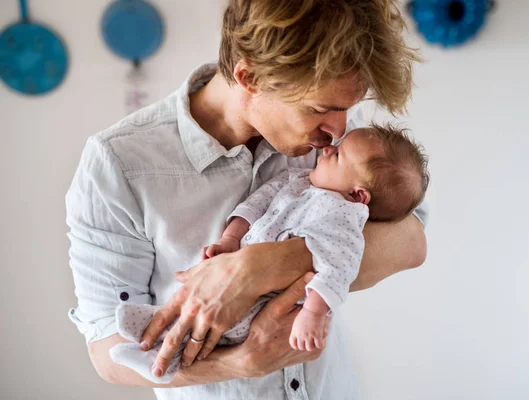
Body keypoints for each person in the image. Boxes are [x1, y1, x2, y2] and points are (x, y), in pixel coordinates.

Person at [66, 1, 429, 399]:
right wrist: (240, 362)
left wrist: (261, 267)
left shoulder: (336, 145)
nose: (338, 130)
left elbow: (410, 242)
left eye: (347, 109)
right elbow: (107, 352)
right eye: (321, 109)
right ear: (250, 77)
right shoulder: (119, 164)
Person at [108, 125, 429, 383]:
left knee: (215, 327)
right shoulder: (297, 180)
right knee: (192, 313)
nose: (329, 145)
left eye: (338, 154)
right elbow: (256, 204)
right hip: (238, 267)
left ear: (357, 194)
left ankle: (159, 358)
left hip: (268, 301)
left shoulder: (345, 218)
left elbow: (337, 268)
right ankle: (152, 345)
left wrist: (313, 313)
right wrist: (231, 240)